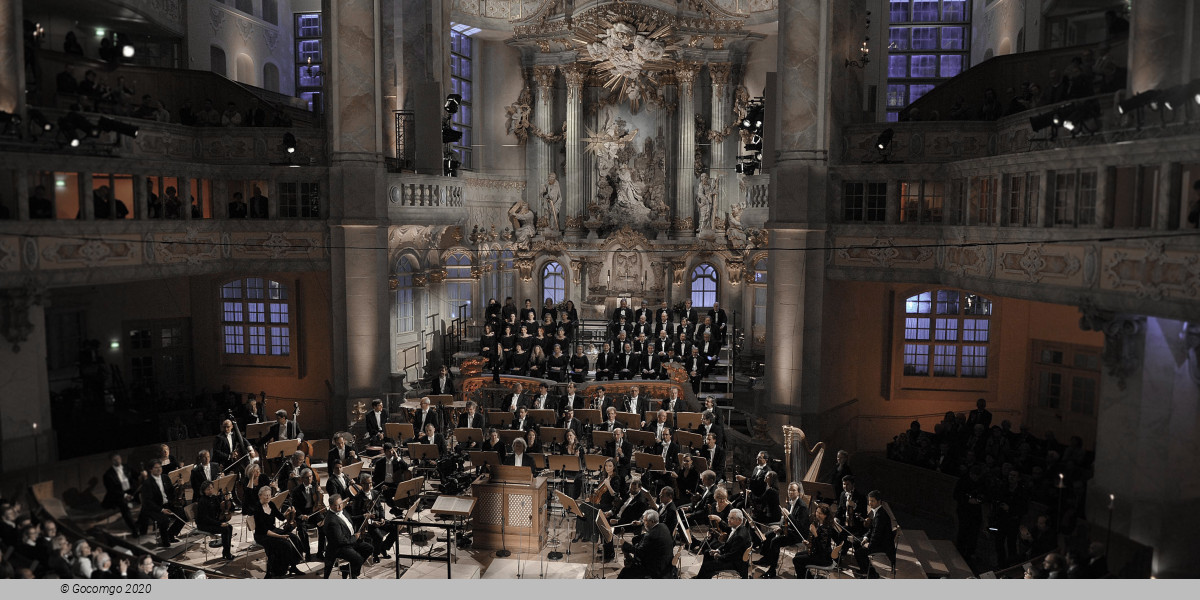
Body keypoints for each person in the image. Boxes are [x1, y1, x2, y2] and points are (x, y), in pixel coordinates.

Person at [755, 481, 808, 577]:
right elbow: (785, 522)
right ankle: (766, 559)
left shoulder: (802, 507)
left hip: (798, 535)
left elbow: (799, 527)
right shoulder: (789, 503)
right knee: (767, 536)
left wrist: (789, 515)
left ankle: (772, 570)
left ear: (798, 492)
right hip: (788, 531)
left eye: (793, 490)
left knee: (775, 541)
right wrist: (780, 528)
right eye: (789, 490)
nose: (790, 492)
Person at [251, 486, 303, 578]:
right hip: (262, 535)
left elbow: (281, 517)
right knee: (285, 544)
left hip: (273, 530)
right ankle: (277, 571)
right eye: (265, 495)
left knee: (294, 538)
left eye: (269, 495)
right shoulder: (257, 508)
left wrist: (288, 512)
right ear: (260, 496)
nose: (268, 497)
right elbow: (264, 530)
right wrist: (280, 536)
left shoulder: (271, 504)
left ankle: (293, 566)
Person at [323, 494, 375, 578]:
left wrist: (363, 516)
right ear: (331, 506)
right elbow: (340, 540)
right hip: (340, 547)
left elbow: (350, 519)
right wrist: (355, 537)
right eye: (337, 505)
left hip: (350, 541)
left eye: (341, 503)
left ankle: (346, 568)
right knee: (358, 559)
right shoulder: (332, 521)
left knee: (369, 548)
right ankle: (353, 575)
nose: (340, 506)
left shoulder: (342, 511)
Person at [138, 459, 185, 547]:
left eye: (160, 467)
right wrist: (162, 510)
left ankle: (170, 534)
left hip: (167, 503)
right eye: (156, 468)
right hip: (155, 508)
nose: (159, 469)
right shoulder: (147, 483)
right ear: (151, 470)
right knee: (164, 520)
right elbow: (148, 501)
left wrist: (178, 485)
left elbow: (171, 492)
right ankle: (165, 541)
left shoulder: (165, 477)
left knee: (183, 514)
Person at [693, 508, 751, 578]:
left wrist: (719, 556)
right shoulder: (737, 528)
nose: (729, 520)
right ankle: (703, 576)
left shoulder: (740, 536)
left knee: (706, 566)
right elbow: (727, 544)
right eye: (729, 517)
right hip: (732, 557)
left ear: (739, 520)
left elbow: (732, 556)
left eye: (732, 518)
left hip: (735, 563)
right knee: (707, 553)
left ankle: (701, 577)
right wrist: (717, 550)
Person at [619, 509, 674, 578]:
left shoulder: (650, 535)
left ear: (652, 521)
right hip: (666, 565)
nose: (644, 523)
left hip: (656, 569)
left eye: (645, 521)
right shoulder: (663, 526)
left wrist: (624, 544)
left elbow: (639, 552)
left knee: (625, 572)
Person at [854, 490, 895, 577]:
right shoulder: (876, 512)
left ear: (879, 501)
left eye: (872, 501)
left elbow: (877, 535)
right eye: (869, 500)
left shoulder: (881, 516)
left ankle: (870, 573)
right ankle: (867, 569)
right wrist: (865, 538)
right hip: (877, 541)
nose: (870, 503)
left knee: (859, 552)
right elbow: (872, 530)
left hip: (882, 544)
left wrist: (869, 545)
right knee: (856, 542)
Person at [196, 480, 234, 560]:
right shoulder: (202, 501)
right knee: (226, 529)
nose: (210, 490)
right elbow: (205, 518)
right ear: (204, 491)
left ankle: (226, 552)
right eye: (208, 489)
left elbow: (220, 509)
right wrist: (219, 524)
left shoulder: (213, 498)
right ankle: (227, 554)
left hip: (212, 521)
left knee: (230, 527)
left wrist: (225, 499)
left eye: (211, 488)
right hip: (204, 524)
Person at [101, 453, 139, 535]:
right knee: (124, 506)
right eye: (114, 459)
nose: (117, 460)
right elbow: (112, 490)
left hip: (131, 491)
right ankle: (134, 529)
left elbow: (136, 475)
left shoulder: (127, 467)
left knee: (147, 497)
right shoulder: (108, 475)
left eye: (118, 458)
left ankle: (141, 523)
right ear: (111, 461)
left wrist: (142, 475)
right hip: (117, 495)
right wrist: (125, 495)